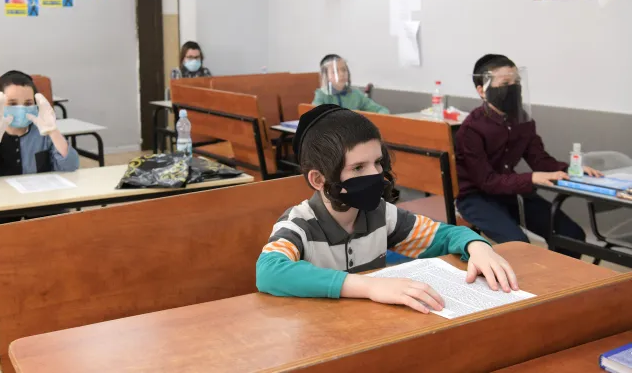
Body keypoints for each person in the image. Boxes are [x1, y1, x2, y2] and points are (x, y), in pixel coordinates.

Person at [256, 104, 518, 311]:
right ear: (318, 179)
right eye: (358, 167)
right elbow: (269, 272)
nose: (375, 174)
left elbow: (445, 235)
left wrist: (478, 247)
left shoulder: (381, 215)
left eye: (378, 162)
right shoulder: (299, 224)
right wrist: (370, 287)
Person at [0, 71, 79, 356]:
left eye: (27, 103)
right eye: (12, 103)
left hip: (41, 216)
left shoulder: (42, 133)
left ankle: (54, 324)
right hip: (1, 219)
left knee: (59, 260)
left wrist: (53, 131)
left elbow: (70, 165)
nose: (20, 109)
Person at [454, 54, 600, 258]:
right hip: (476, 198)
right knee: (519, 245)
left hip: (510, 192)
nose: (514, 88)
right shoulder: (471, 129)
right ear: (482, 90)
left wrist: (571, 170)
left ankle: (556, 276)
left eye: (517, 82)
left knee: (571, 234)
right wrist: (531, 178)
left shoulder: (522, 120)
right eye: (505, 83)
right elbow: (486, 181)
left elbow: (540, 159)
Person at [311, 54, 389, 113]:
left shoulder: (356, 94)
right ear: (326, 76)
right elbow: (314, 117)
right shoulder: (321, 95)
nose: (341, 74)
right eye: (335, 71)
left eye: (344, 70)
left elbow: (381, 110)